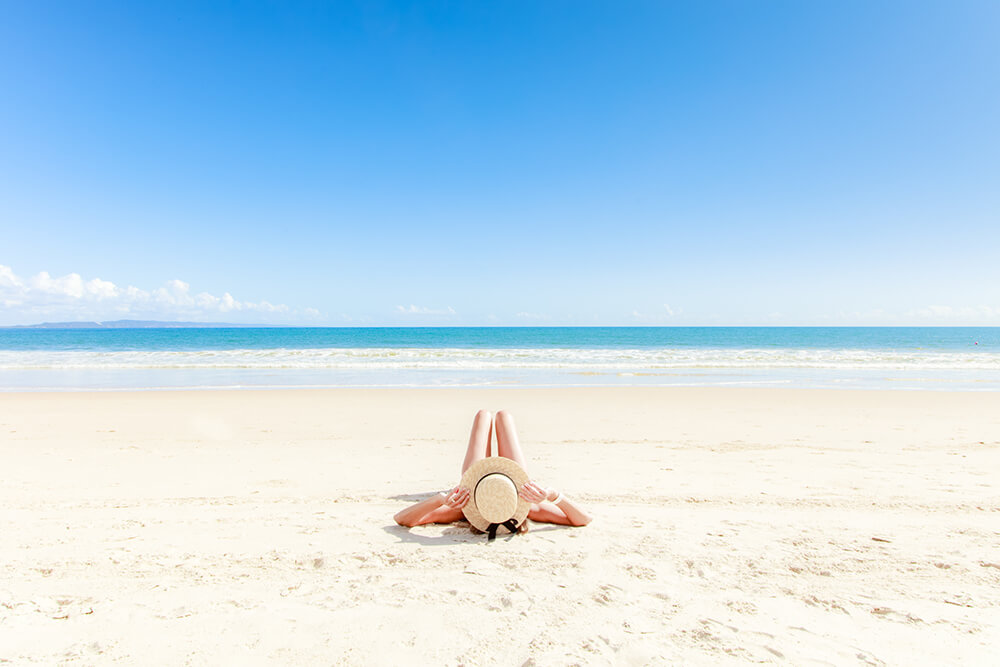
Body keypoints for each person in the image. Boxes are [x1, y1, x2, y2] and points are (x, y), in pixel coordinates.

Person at [393, 409, 592, 530]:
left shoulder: (462, 510)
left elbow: (402, 519)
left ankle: (488, 417)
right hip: (513, 487)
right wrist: (552, 495)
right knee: (504, 417)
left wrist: (441, 499)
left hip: (476, 489)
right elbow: (583, 519)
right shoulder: (529, 508)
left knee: (483, 416)